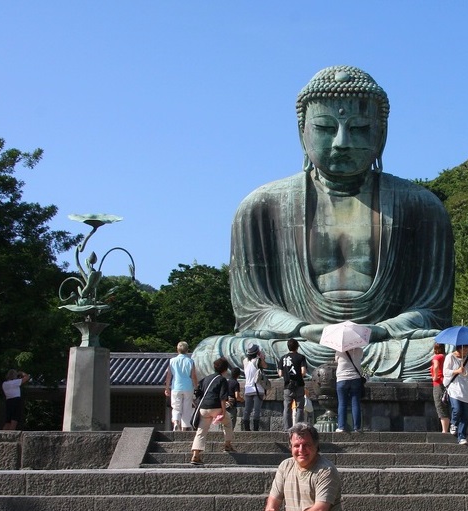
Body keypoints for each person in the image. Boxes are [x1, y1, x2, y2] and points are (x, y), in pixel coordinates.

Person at [192, 65, 454, 382]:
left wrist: (379, 329)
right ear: (302, 131)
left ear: (381, 133)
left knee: (455, 351)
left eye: (358, 128)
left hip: (384, 342)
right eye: (326, 127)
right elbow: (254, 310)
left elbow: (432, 311)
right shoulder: (261, 206)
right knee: (212, 353)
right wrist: (305, 329)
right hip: (301, 343)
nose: (342, 142)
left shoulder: (421, 206)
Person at [191, 358, 234, 464]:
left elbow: (198, 391)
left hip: (203, 408)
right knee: (228, 422)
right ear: (225, 369)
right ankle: (227, 445)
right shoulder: (222, 380)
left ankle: (195, 455)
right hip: (215, 407)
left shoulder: (206, 379)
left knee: (201, 431)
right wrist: (223, 412)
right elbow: (223, 397)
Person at [164, 341, 199, 432]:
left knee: (176, 406)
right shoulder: (190, 361)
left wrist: (167, 388)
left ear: (177, 350)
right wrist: (196, 387)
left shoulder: (172, 361)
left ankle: (176, 422)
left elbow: (169, 375)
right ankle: (186, 426)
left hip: (176, 386)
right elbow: (193, 376)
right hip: (188, 386)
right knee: (187, 407)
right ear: (187, 350)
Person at [443, 344, 468, 445]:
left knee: (465, 415)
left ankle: (462, 436)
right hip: (454, 388)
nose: (466, 351)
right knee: (456, 409)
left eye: (467, 349)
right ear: (459, 348)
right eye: (464, 349)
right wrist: (457, 371)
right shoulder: (450, 357)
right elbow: (445, 372)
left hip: (466, 389)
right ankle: (453, 423)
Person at [279, 339, 308, 431]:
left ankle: (287, 428)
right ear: (297, 346)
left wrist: (287, 375)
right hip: (299, 384)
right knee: (300, 407)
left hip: (288, 386)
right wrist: (298, 375)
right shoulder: (301, 357)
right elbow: (303, 371)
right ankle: (298, 427)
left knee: (287, 408)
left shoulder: (283, 358)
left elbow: (280, 373)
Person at [335, 346, 364, 432]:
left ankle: (341, 427)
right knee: (355, 403)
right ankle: (357, 427)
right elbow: (361, 358)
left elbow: (336, 360)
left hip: (342, 378)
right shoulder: (359, 350)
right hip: (355, 378)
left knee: (342, 403)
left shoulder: (339, 349)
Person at [243, 344, 268, 432]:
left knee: (247, 410)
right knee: (256, 410)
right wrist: (262, 357)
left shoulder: (245, 361)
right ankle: (255, 428)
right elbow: (265, 366)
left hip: (247, 388)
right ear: (257, 352)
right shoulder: (257, 361)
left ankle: (246, 428)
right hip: (258, 389)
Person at [431, 343, 451, 433]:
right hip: (447, 383)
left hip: (438, 383)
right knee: (446, 405)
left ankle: (444, 430)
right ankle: (448, 428)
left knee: (440, 405)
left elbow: (436, 366)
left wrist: (435, 376)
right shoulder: (446, 357)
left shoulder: (437, 357)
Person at [224, 367, 243, 445]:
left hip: (224, 405)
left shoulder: (226, 382)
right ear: (238, 375)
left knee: (225, 423)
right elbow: (237, 396)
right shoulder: (235, 383)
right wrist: (242, 400)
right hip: (232, 405)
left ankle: (225, 439)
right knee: (231, 423)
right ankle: (227, 443)